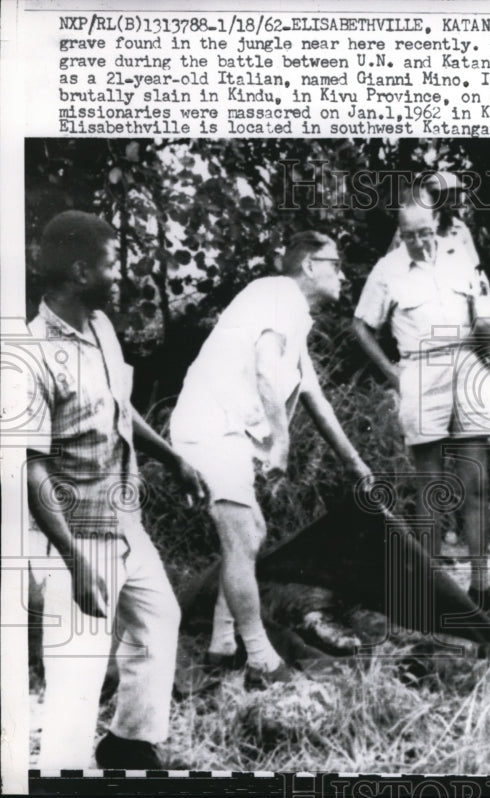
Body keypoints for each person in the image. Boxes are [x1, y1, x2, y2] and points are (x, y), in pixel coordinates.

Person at [24, 211, 207, 769]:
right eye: (110, 263)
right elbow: (30, 469)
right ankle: (63, 768)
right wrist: (75, 561)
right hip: (73, 534)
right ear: (81, 271)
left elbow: (118, 407)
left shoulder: (101, 327)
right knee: (77, 670)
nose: (120, 275)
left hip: (125, 519)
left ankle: (128, 744)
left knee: (158, 621)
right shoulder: (28, 354)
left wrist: (173, 457)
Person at [170, 231, 374, 688]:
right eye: (336, 264)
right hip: (210, 427)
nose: (342, 274)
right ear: (309, 266)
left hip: (228, 432)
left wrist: (354, 463)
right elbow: (265, 366)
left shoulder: (290, 312)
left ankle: (223, 646)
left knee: (252, 532)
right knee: (243, 535)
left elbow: (312, 394)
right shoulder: (279, 294)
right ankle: (261, 657)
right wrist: (279, 446)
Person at [352, 189, 490, 617]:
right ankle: (431, 591)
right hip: (421, 372)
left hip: (468, 366)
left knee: (476, 481)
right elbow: (361, 326)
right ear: (399, 232)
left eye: (426, 232)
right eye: (410, 235)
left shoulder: (458, 255)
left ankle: (481, 586)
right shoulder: (387, 271)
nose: (420, 242)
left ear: (437, 223)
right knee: (431, 487)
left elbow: (480, 308)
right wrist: (393, 374)